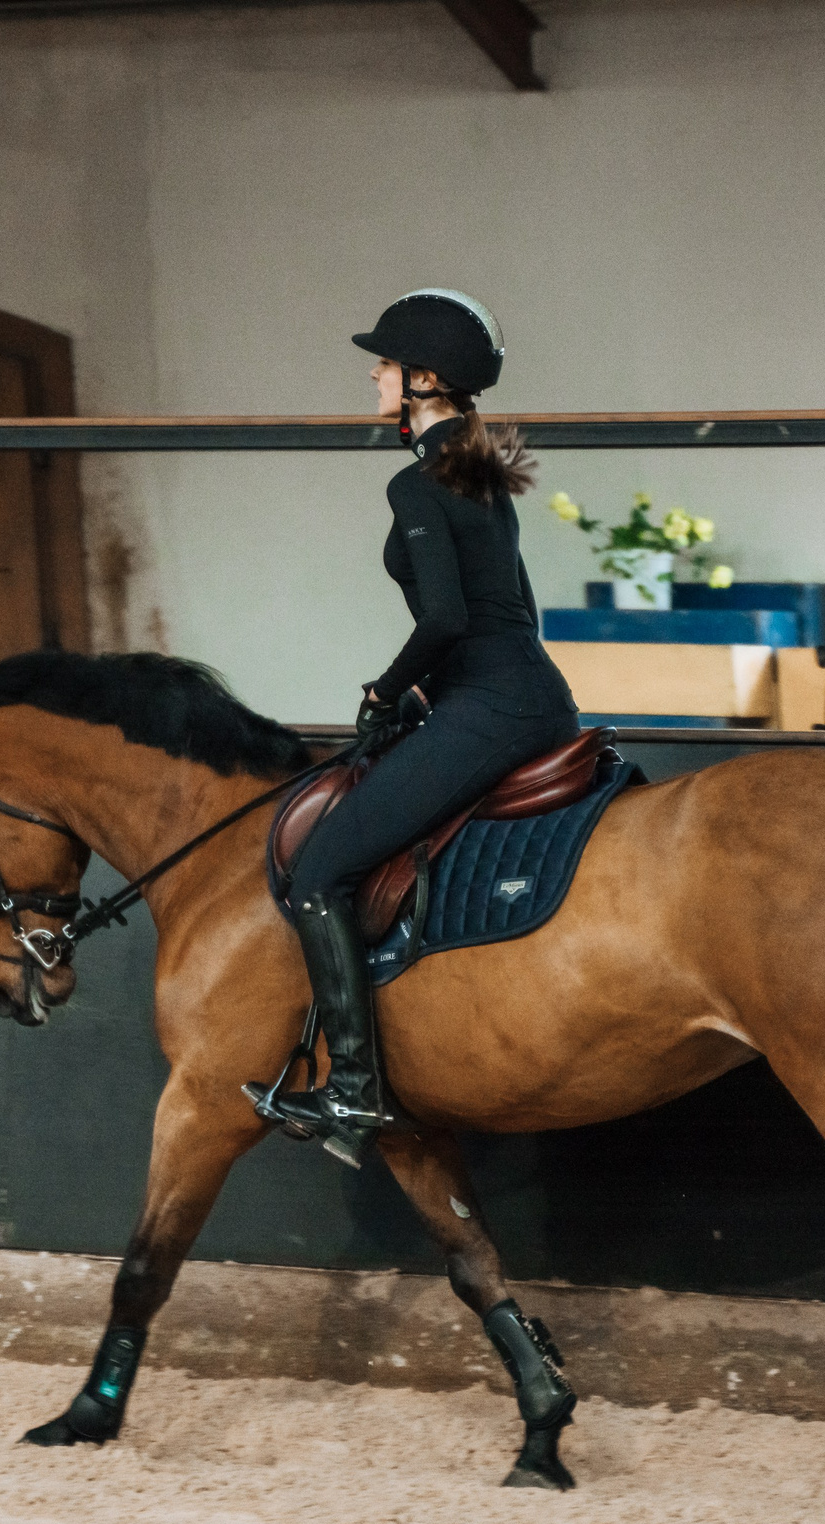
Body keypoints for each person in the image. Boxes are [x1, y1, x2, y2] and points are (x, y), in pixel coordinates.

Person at [251, 289, 583, 1168]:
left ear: (425, 380)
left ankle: (354, 1090)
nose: (374, 371)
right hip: (523, 693)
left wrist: (387, 689)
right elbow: (512, 606)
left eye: (387, 363)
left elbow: (442, 617)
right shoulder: (475, 469)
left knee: (321, 868)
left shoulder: (418, 481)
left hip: (491, 704)